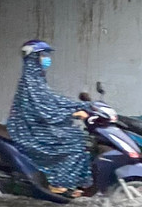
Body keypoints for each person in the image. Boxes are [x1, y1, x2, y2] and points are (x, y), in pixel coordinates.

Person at [6, 40, 93, 194]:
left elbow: (53, 100)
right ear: (33, 58)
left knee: (81, 138)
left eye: (46, 54)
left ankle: (74, 182)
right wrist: (73, 113)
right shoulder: (29, 82)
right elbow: (42, 110)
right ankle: (56, 183)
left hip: (38, 124)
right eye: (42, 55)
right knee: (73, 141)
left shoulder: (37, 79)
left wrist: (83, 106)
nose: (47, 58)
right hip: (29, 129)